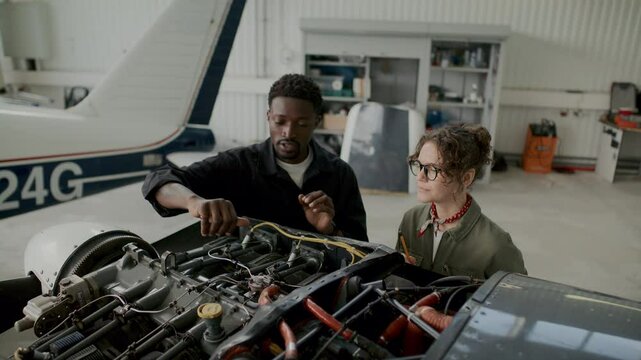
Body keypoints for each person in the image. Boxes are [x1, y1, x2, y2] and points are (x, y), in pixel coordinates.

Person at [142, 74, 368, 241]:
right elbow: (159, 179)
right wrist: (193, 201)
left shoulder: (340, 174)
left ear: (317, 121)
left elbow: (360, 247)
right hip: (247, 284)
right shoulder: (238, 165)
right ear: (268, 117)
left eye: (301, 124)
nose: (288, 132)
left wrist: (329, 230)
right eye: (279, 122)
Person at [396, 124, 525, 278]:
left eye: (432, 169)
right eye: (418, 165)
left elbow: (517, 298)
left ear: (466, 178)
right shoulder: (411, 221)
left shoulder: (495, 246)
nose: (420, 177)